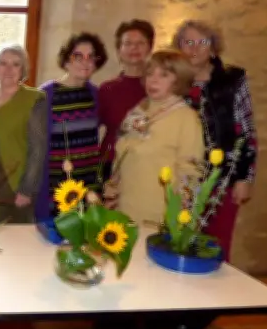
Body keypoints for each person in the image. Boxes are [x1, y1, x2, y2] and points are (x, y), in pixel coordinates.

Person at [173, 20, 257, 261]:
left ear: (213, 47)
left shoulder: (232, 80)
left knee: (216, 248)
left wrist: (246, 178)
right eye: (188, 42)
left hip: (223, 180)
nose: (195, 48)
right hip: (185, 180)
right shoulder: (175, 83)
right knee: (182, 244)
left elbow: (247, 132)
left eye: (202, 42)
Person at [105, 50, 204, 225]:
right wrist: (112, 188)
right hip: (124, 209)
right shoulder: (138, 110)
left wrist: (179, 216)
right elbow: (122, 155)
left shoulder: (186, 118)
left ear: (178, 80)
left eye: (164, 75)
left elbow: (191, 172)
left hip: (159, 215)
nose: (153, 80)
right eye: (150, 74)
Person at [37, 33, 107, 222]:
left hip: (88, 183)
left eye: (91, 56)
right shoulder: (46, 94)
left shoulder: (95, 94)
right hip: (56, 184)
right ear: (66, 60)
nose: (85, 62)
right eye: (78, 56)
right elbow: (35, 143)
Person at [0, 44, 47, 223]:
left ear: (23, 70)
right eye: (3, 63)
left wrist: (26, 190)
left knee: (15, 240)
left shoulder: (34, 99)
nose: (8, 69)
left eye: (16, 64)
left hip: (16, 181)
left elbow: (38, 149)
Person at [98, 19, 155, 180]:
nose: (134, 48)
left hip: (150, 164)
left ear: (150, 48)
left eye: (140, 43)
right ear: (119, 50)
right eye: (127, 43)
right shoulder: (107, 89)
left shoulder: (160, 88)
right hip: (111, 164)